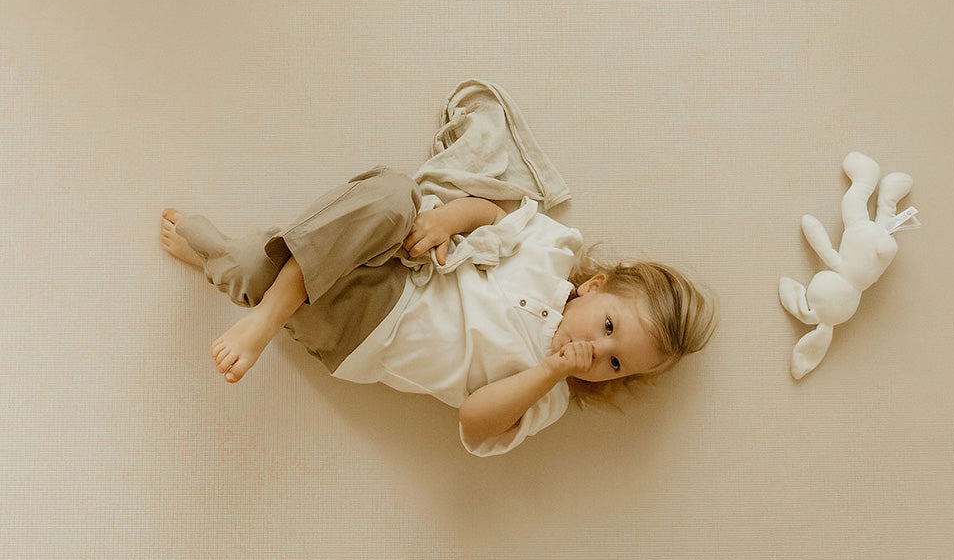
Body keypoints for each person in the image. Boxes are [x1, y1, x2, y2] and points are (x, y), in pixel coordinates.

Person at [160, 166, 717, 456]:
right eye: (609, 327)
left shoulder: (549, 396)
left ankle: (233, 272)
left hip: (362, 336)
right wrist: (450, 219)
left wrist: (550, 370)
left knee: (254, 269)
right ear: (594, 287)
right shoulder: (553, 250)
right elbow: (493, 213)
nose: (599, 353)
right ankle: (261, 316)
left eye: (616, 365)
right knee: (394, 191)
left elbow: (474, 420)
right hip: (400, 265)